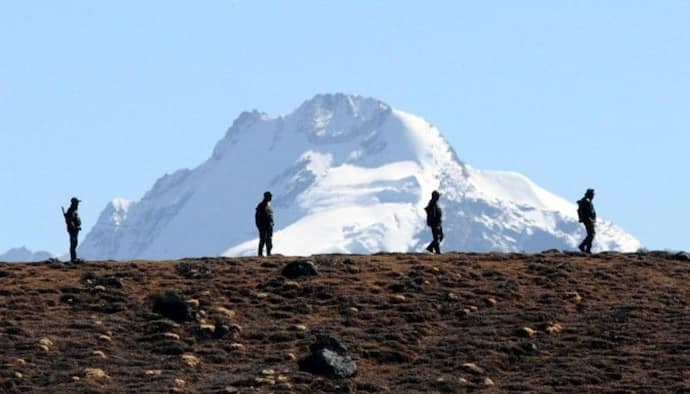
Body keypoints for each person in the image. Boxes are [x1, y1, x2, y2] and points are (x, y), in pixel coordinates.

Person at [63, 197, 82, 263]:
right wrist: (75, 227)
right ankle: (73, 259)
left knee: (74, 243)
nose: (78, 204)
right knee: (73, 243)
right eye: (77, 203)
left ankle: (74, 258)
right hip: (73, 230)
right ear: (73, 203)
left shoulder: (73, 210)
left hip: (74, 230)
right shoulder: (71, 211)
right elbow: (70, 221)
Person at [577, 188, 596, 254]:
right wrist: (590, 218)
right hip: (588, 220)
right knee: (591, 234)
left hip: (588, 220)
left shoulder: (586, 201)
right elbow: (587, 212)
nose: (593, 196)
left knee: (591, 234)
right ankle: (585, 248)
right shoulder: (586, 201)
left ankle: (584, 246)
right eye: (592, 194)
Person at [255, 191, 274, 257]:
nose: (271, 198)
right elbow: (257, 217)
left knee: (269, 240)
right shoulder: (261, 206)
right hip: (263, 227)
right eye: (270, 196)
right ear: (266, 197)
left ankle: (269, 254)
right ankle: (260, 254)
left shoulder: (268, 205)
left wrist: (272, 224)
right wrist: (260, 227)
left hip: (269, 226)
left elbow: (270, 216)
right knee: (263, 240)